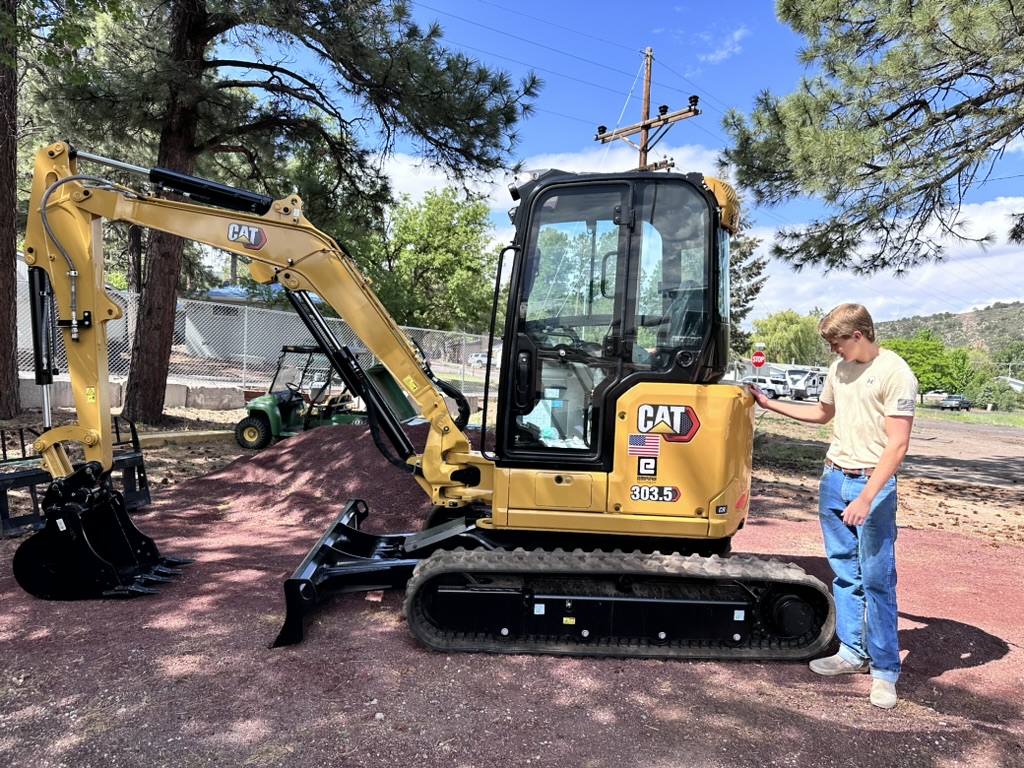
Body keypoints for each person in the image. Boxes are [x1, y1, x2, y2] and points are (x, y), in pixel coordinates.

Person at [749, 304, 918, 710]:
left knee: (877, 580)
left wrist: (866, 496)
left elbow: (897, 445)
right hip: (834, 478)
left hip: (871, 483)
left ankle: (885, 671)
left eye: (836, 342)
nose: (833, 350)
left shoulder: (896, 373)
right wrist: (770, 404)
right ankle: (852, 653)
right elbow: (823, 414)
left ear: (858, 335)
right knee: (844, 573)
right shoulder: (839, 370)